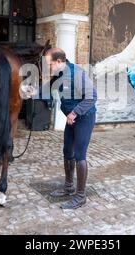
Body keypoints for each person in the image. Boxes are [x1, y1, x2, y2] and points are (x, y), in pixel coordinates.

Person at [26, 48, 97, 209]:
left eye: (49, 64)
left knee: (80, 155)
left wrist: (75, 112)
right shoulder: (58, 74)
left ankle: (80, 196)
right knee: (67, 152)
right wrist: (34, 92)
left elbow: (92, 96)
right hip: (72, 118)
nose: (47, 67)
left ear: (59, 62)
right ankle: (69, 187)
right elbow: (48, 91)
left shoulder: (77, 74)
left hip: (84, 117)